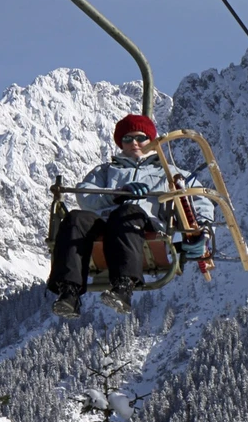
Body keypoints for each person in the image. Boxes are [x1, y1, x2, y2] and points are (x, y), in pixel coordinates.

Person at [47, 114, 213, 317]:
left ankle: (123, 285)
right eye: (127, 138)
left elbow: (198, 198)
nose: (134, 143)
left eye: (140, 138)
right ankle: (69, 292)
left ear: (151, 141)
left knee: (127, 213)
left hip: (143, 225)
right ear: (120, 143)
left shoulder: (167, 172)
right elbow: (85, 195)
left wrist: (200, 232)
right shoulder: (107, 170)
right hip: (106, 223)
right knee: (75, 218)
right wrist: (117, 193)